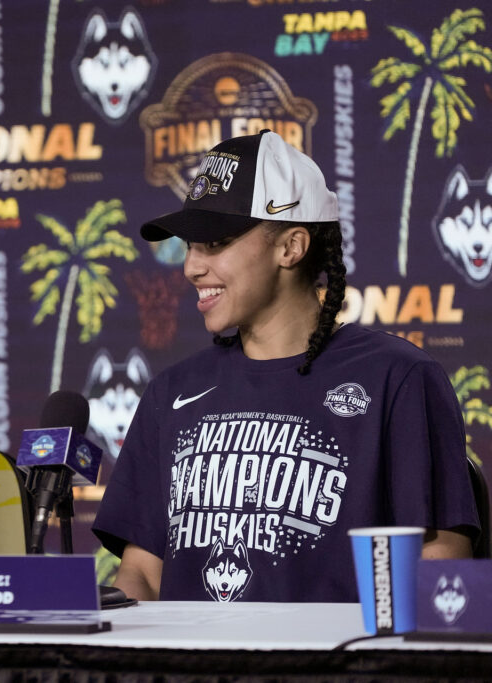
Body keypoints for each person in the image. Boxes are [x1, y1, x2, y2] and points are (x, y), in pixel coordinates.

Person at [93, 131, 478, 603]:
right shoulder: (171, 392)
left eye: (214, 242)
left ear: (291, 247)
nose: (191, 267)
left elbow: (440, 569)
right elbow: (143, 575)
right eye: (190, 245)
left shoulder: (397, 378)